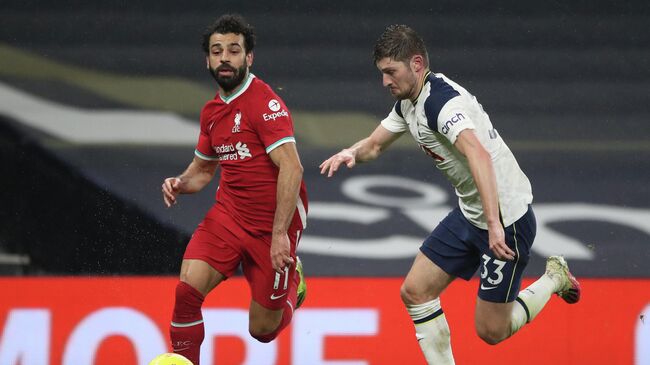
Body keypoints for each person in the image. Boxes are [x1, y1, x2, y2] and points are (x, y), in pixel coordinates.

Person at [319, 24, 581, 364]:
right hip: (471, 213)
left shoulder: (440, 103)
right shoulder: (409, 104)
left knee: (491, 331)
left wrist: (494, 224)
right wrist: (351, 153)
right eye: (381, 73)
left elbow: (479, 155)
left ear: (416, 63)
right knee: (415, 292)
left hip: (505, 219)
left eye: (390, 72)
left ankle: (554, 278)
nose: (385, 82)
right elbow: (373, 145)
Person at [161, 14, 308, 365]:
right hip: (228, 216)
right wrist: (180, 183)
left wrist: (279, 236)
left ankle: (293, 284)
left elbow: (292, 167)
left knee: (262, 331)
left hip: (272, 225)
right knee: (186, 292)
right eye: (217, 51)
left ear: (249, 58)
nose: (224, 57)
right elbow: (203, 169)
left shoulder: (265, 103)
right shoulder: (211, 111)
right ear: (207, 60)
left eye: (233, 50)